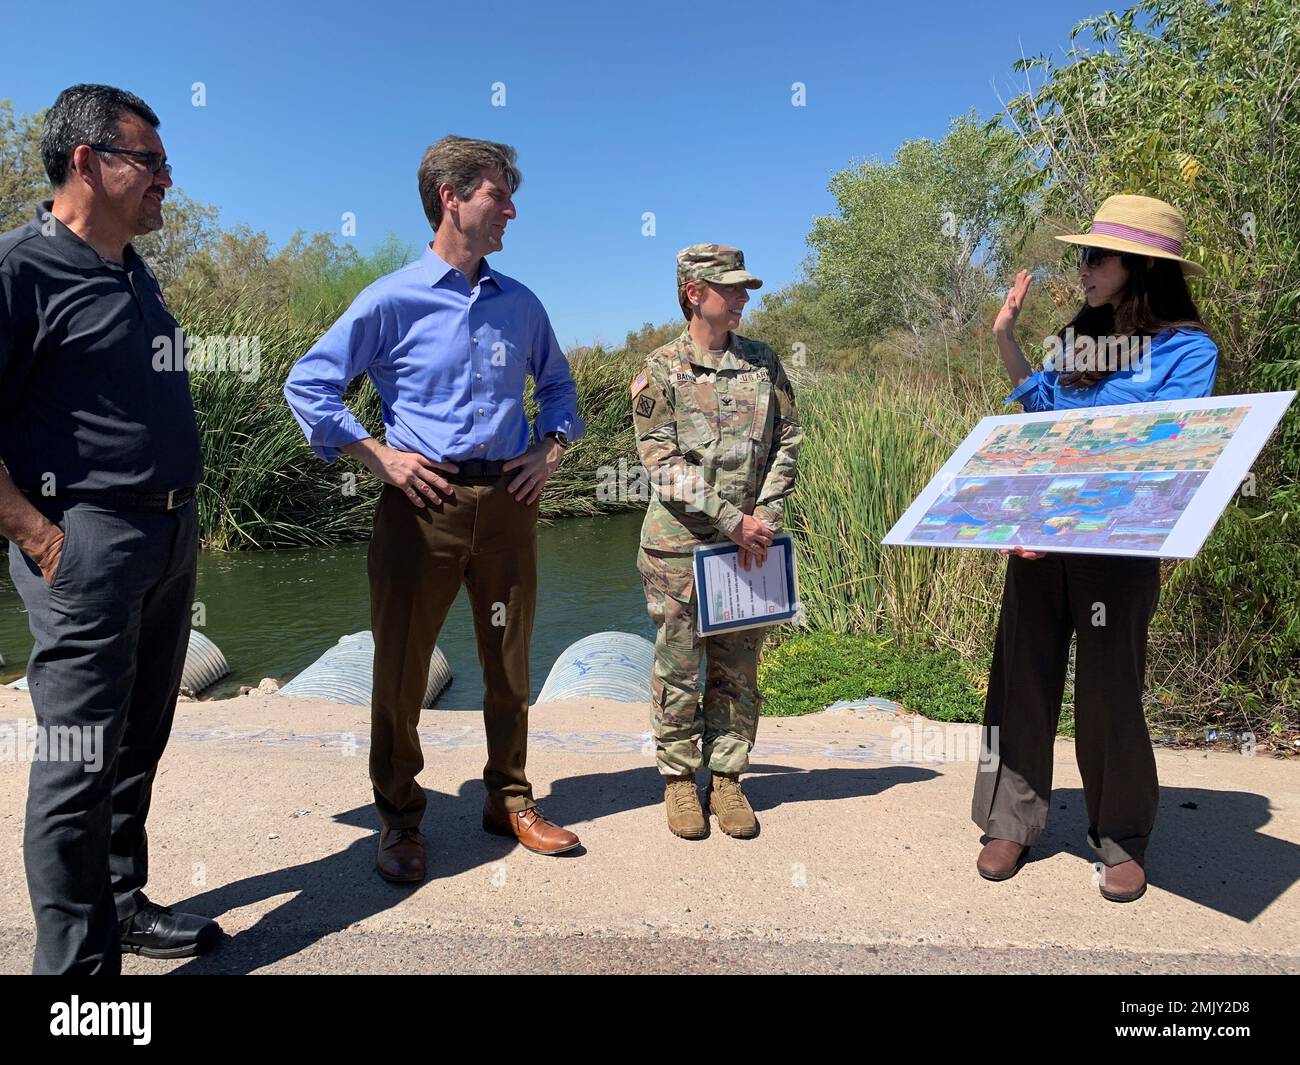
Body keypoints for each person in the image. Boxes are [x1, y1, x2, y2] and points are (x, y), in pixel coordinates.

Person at [284, 135, 585, 881]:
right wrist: (378, 456)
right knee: (401, 670)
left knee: (509, 663)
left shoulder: (522, 304)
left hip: (508, 505)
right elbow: (309, 384)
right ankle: (398, 818)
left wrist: (550, 450)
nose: (511, 210)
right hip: (422, 508)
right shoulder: (392, 299)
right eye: (497, 196)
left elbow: (559, 388)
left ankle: (509, 799)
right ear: (451, 198)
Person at [0, 84, 221, 973]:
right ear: (87, 162)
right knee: (76, 762)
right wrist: (39, 536)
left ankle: (121, 905)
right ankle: (76, 983)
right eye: (151, 162)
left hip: (168, 536)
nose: (167, 179)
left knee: (136, 742)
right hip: (85, 539)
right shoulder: (19, 269)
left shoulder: (134, 271)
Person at [973, 194, 1218, 902]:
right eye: (1082, 255)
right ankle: (1009, 821)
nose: (1081, 268)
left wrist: (1089, 458)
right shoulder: (1077, 340)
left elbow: (1166, 440)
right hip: (1042, 538)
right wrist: (1005, 338)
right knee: (1020, 676)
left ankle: (1121, 837)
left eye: (1095, 257)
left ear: (1140, 268)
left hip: (1120, 543)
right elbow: (1042, 418)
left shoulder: (1189, 350)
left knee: (1111, 691)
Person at [632, 244, 802, 840]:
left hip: (748, 546)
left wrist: (765, 516)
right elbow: (661, 462)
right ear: (693, 293)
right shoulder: (660, 369)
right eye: (729, 288)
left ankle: (727, 778)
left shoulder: (763, 363)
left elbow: (788, 439)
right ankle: (680, 780)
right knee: (679, 666)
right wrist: (732, 520)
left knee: (737, 668)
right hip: (679, 548)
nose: (741, 299)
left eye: (743, 289)